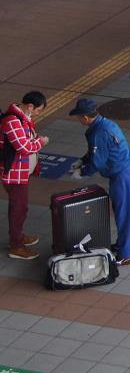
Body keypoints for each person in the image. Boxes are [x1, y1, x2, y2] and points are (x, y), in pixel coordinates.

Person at [69, 98, 130, 266]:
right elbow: (97, 152)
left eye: (78, 117)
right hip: (123, 173)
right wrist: (82, 160)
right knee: (123, 212)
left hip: (122, 176)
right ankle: (123, 245)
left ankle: (127, 254)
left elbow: (98, 161)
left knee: (125, 215)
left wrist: (83, 171)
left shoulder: (99, 132)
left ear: (85, 117)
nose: (78, 120)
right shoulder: (105, 124)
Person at [1, 91, 48, 261]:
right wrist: (41, 142)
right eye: (38, 110)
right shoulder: (12, 121)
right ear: (30, 106)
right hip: (14, 174)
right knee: (19, 209)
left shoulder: (21, 117)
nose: (37, 113)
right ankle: (16, 246)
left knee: (18, 207)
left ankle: (18, 237)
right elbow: (24, 148)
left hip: (20, 172)